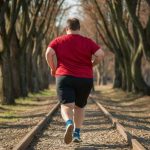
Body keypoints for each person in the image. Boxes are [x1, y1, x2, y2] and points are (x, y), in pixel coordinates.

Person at [45, 18, 104, 144]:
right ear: (79, 28)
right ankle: (76, 133)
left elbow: (48, 53)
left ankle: (68, 123)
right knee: (79, 106)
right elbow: (101, 54)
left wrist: (53, 68)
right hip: (85, 79)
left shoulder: (58, 40)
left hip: (64, 77)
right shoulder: (87, 42)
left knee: (66, 105)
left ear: (66, 28)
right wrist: (92, 64)